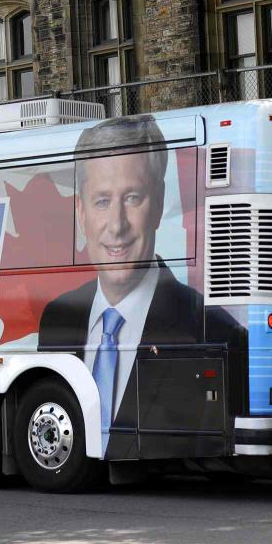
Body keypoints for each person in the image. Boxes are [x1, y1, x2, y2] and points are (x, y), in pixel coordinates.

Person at [37, 116, 227, 456]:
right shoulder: (56, 320)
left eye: (133, 198)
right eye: (102, 201)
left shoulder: (209, 327)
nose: (117, 225)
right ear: (80, 213)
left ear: (158, 204)